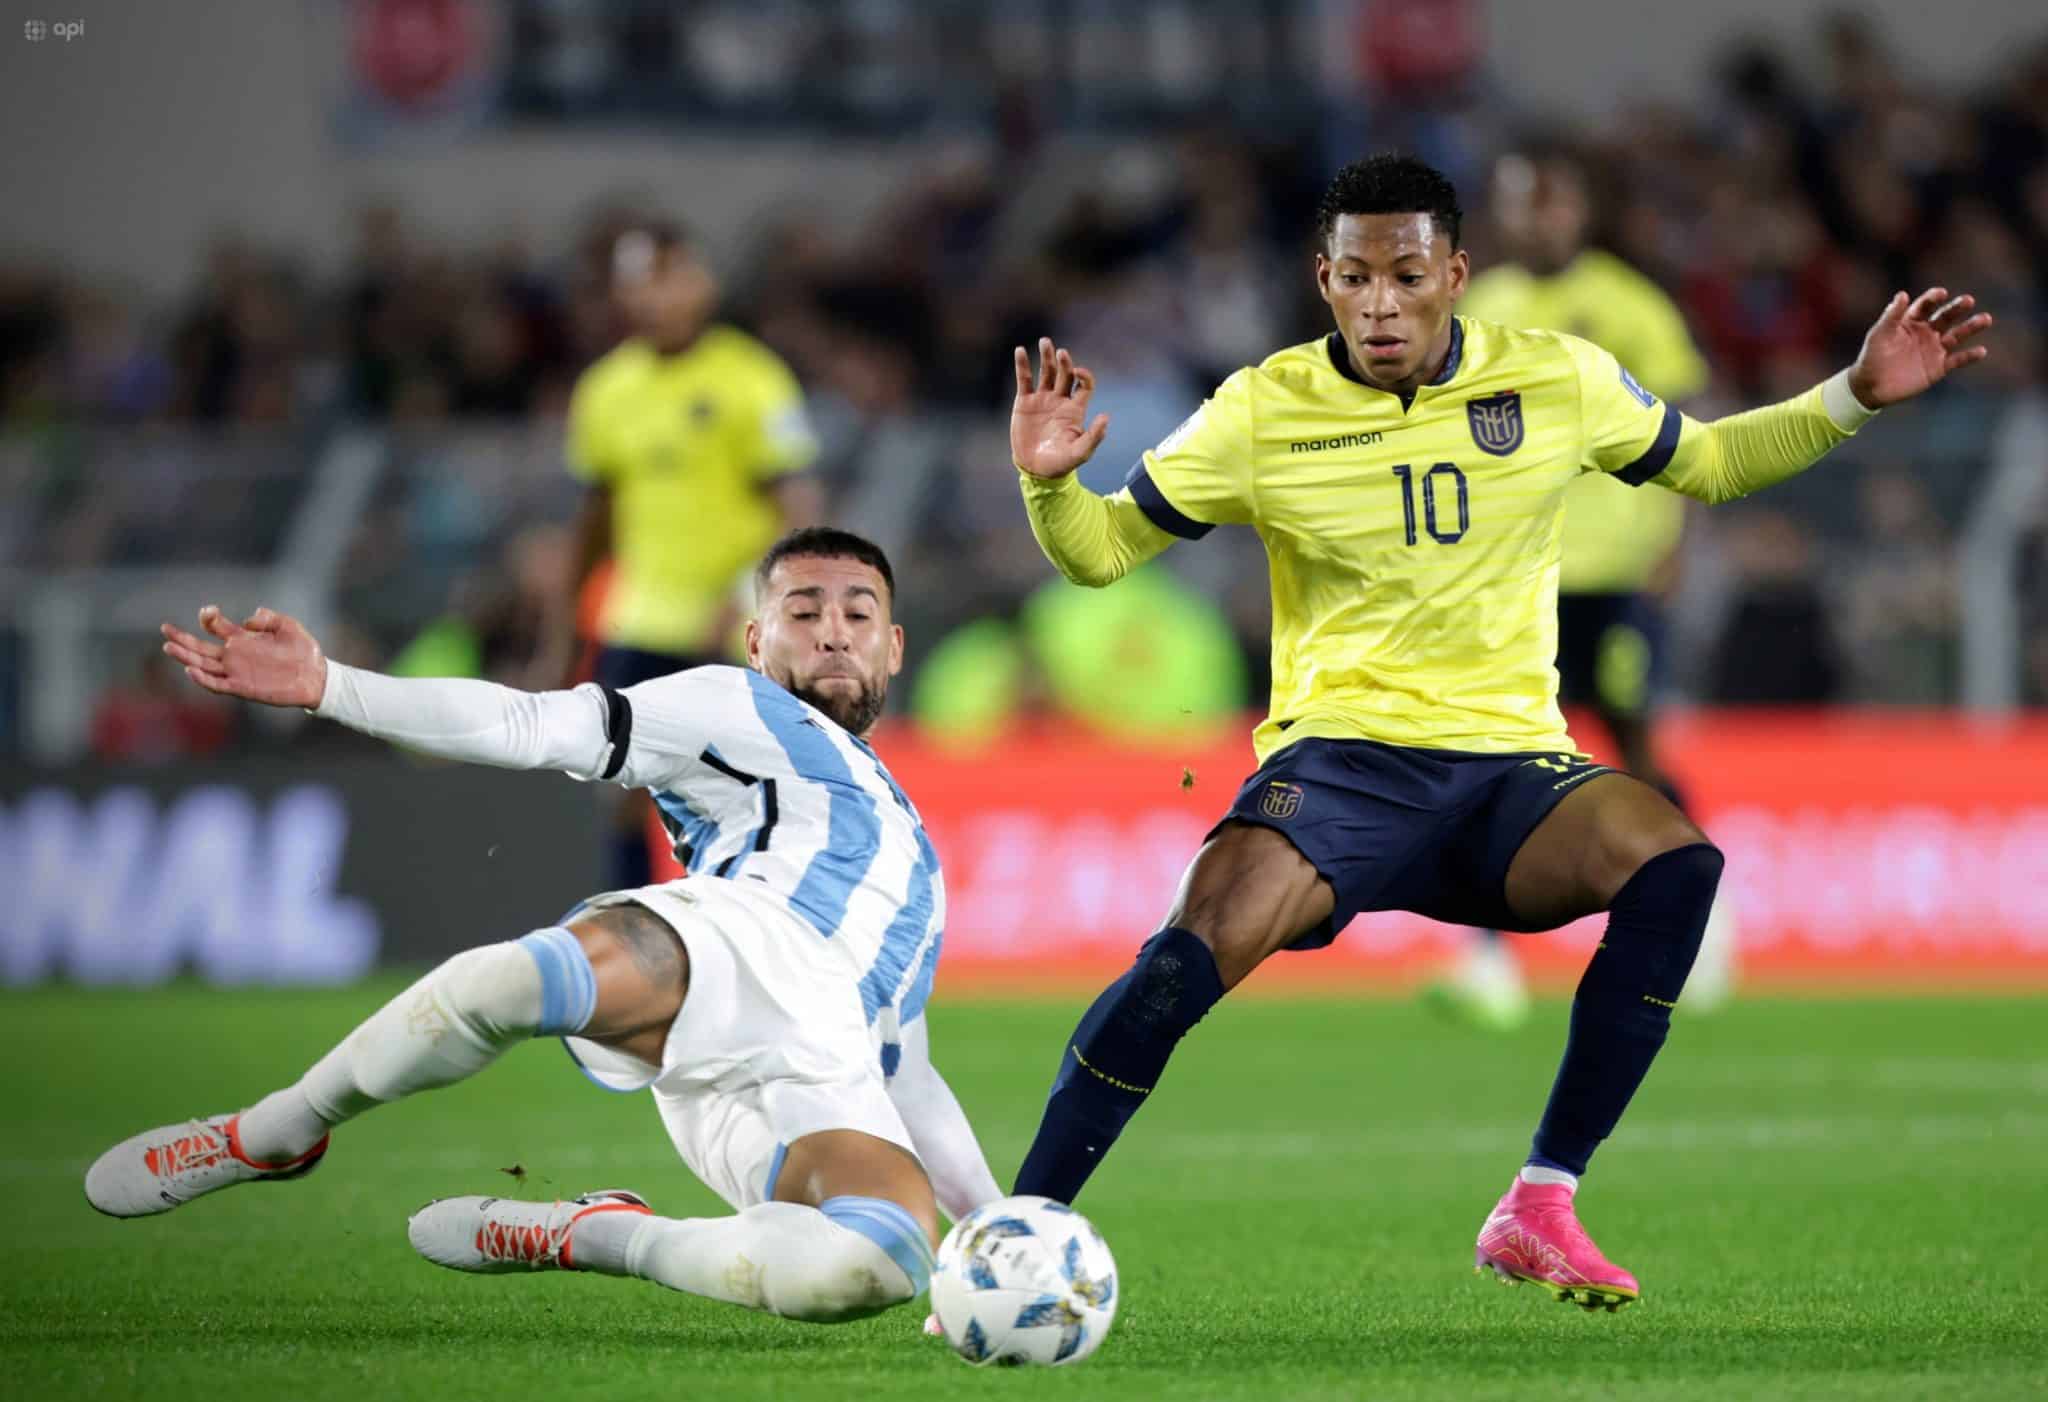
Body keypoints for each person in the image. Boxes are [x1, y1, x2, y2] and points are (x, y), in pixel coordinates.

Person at [1004, 154, 1990, 1310]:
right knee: (1184, 957)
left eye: (1406, 274)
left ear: (1455, 275)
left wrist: (1852, 393)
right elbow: (1101, 552)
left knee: (1675, 862)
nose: (1380, 303)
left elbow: (1711, 463)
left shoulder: (1555, 377)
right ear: (1322, 281)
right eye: (1355, 277)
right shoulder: (1262, 409)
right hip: (1342, 765)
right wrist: (1049, 487)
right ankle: (1017, 1227)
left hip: (1511, 768)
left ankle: (1540, 1200)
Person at [86, 528, 1002, 1326]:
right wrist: (333, 686)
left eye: (858, 612)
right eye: (804, 611)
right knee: (511, 982)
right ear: (757, 641)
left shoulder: (915, 862)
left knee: (875, 1268)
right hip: (739, 944)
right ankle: (273, 1131)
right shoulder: (736, 704)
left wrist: (995, 1230)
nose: (833, 630)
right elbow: (530, 723)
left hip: (822, 1063)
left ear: (893, 647)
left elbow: (907, 1071)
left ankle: (602, 1235)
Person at [1431, 142, 1727, 1029]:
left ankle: (1700, 919)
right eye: (1521, 201)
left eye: (1551, 201)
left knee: (1634, 747)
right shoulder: (1482, 306)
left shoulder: (1630, 306)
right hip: (1516, 577)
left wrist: (1680, 541)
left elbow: (1691, 426)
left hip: (1617, 571)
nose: (1538, 218)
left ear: (1580, 209)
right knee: (1489, 753)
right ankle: (1487, 959)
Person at [543, 220, 824, 893]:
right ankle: (635, 927)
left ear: (703, 283)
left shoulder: (751, 378)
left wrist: (749, 594)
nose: (655, 297)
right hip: (641, 620)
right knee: (621, 792)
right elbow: (594, 523)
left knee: (748, 789)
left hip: (732, 626)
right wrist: (562, 634)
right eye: (639, 282)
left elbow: (798, 507)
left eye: (669, 277)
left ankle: (752, 917)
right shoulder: (605, 390)